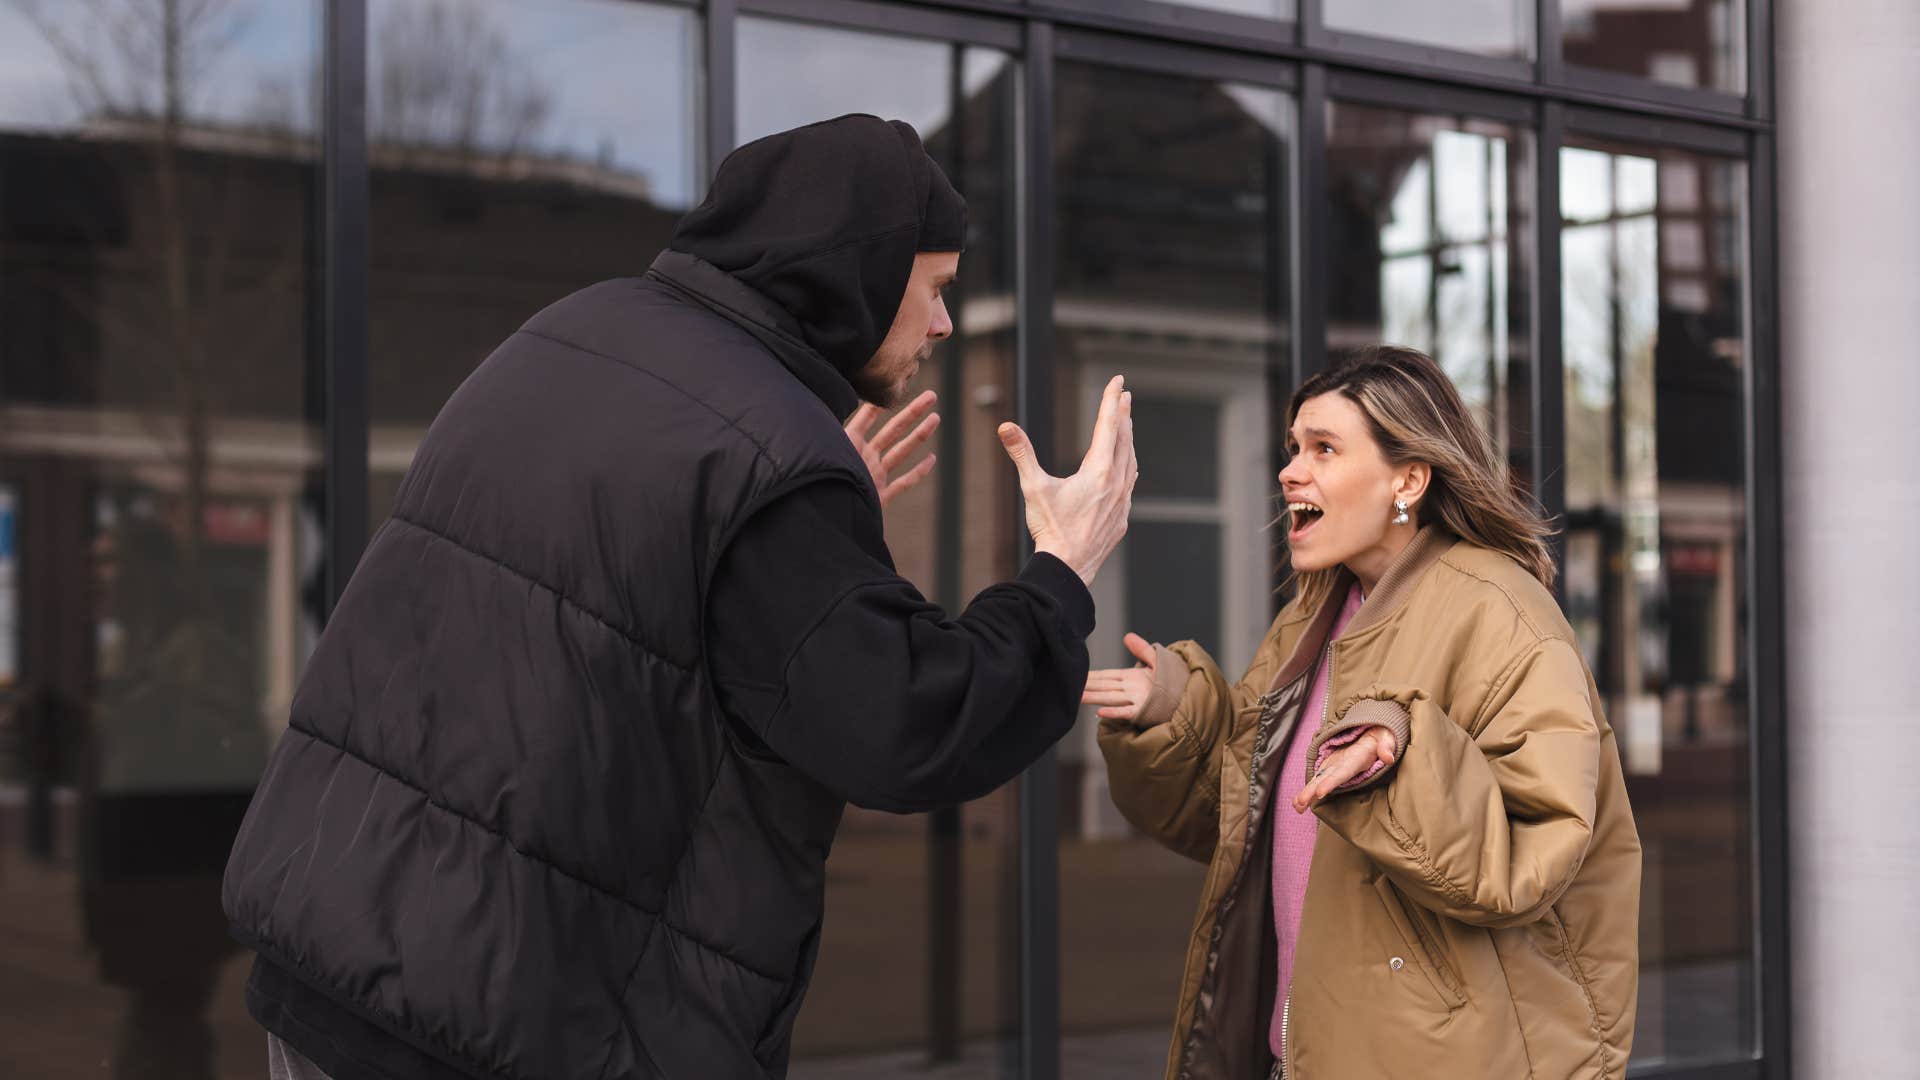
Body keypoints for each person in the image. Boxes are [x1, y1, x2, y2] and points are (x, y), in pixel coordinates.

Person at [223, 114, 1137, 1080]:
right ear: (858, 270)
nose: (944, 325)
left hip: (340, 962)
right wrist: (1061, 570)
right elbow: (908, 722)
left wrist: (807, 520)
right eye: (936, 289)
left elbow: (615, 590)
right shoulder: (768, 458)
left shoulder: (574, 334)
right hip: (495, 1022)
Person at [1090, 346, 1640, 1079]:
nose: (1290, 471)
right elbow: (1236, 819)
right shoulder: (1312, 618)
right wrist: (1171, 713)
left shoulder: (1501, 612)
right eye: (1293, 448)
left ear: (1407, 479)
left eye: (1323, 448)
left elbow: (1536, 848)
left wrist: (1397, 752)